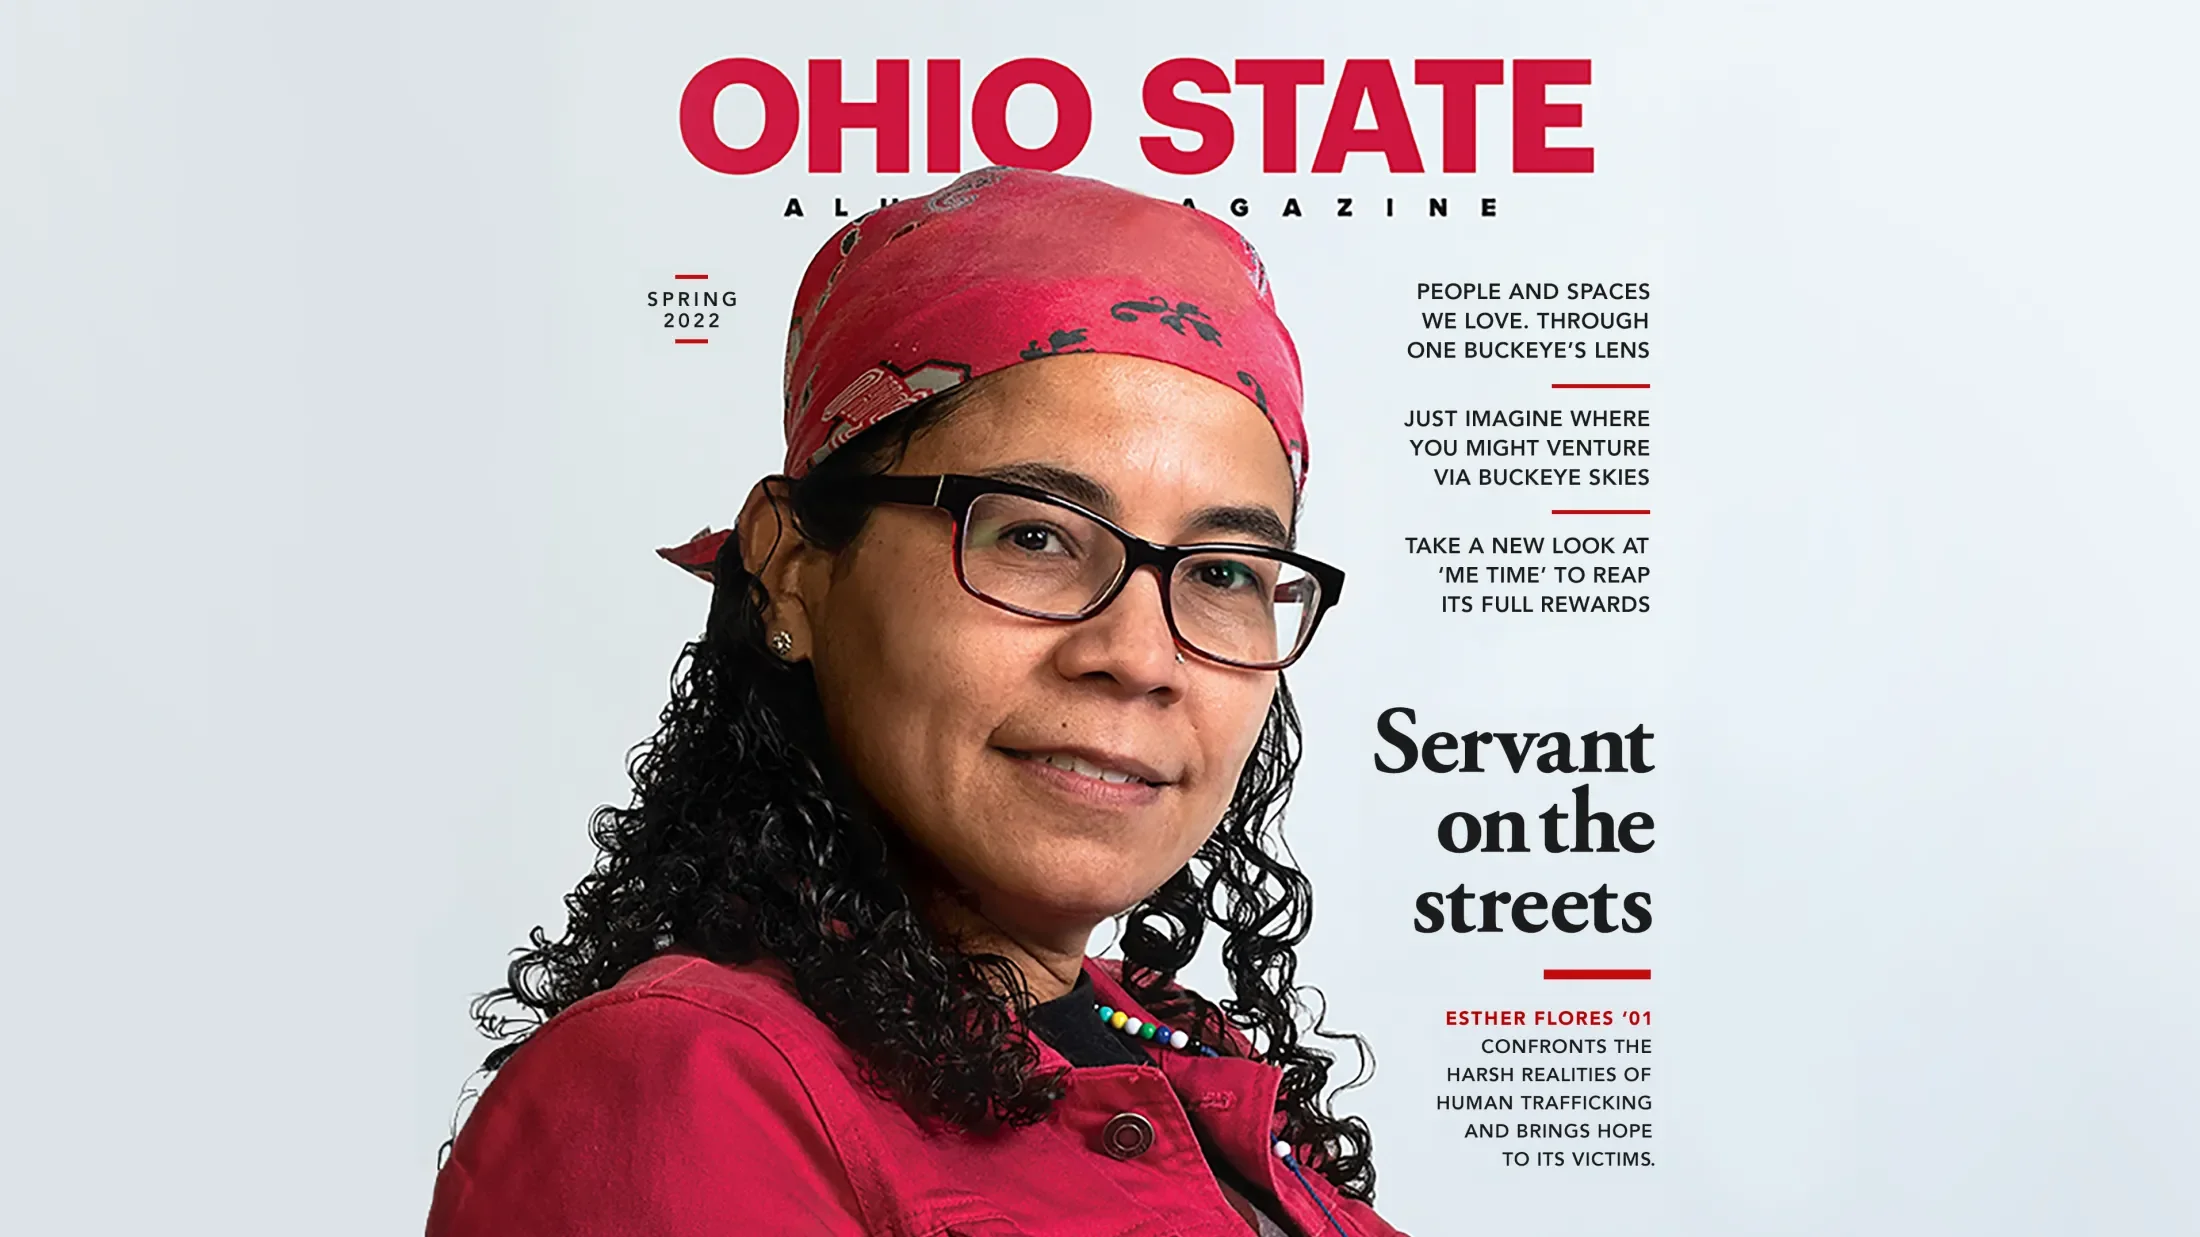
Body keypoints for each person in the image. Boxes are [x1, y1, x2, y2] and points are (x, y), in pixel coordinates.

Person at [428, 167, 1405, 1237]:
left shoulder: (1175, 1050)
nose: (1140, 656)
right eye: (1032, 534)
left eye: (1222, 572)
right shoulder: (691, 1081)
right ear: (795, 567)